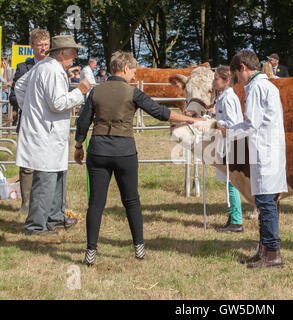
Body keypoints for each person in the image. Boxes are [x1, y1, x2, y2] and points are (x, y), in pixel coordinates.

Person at [74, 51, 202, 266]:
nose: (134, 74)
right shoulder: (132, 92)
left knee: (95, 203)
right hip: (124, 151)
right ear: (125, 68)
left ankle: (91, 252)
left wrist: (79, 145)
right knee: (131, 201)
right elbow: (161, 112)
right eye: (133, 70)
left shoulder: (95, 92)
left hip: (98, 150)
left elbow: (83, 122)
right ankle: (139, 249)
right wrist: (190, 119)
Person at [14, 34, 91, 236]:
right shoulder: (52, 71)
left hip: (49, 131)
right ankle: (35, 226)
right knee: (46, 177)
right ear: (62, 53)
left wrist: (30, 108)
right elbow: (57, 103)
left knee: (58, 174)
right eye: (72, 51)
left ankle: (55, 217)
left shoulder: (44, 66)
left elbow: (20, 86)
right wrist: (80, 92)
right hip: (45, 133)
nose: (75, 55)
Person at [221, 50, 287, 269]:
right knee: (264, 203)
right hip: (267, 150)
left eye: (237, 74)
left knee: (266, 204)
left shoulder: (257, 87)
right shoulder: (265, 85)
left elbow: (251, 124)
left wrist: (228, 131)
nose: (238, 80)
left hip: (266, 152)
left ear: (243, 67)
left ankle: (273, 254)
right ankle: (263, 251)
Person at [9, 29, 51, 214]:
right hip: (27, 124)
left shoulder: (54, 67)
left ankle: (47, 204)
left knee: (49, 164)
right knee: (27, 165)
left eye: (46, 44)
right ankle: (26, 204)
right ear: (32, 46)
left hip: (49, 125)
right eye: (40, 45)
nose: (43, 48)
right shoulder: (23, 68)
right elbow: (13, 97)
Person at [212, 66, 244, 233]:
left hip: (232, 143)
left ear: (226, 81)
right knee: (228, 182)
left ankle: (237, 221)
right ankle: (232, 216)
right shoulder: (223, 97)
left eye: (216, 78)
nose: (214, 81)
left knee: (232, 183)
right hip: (226, 143)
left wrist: (216, 125)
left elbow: (232, 123)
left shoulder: (229, 98)